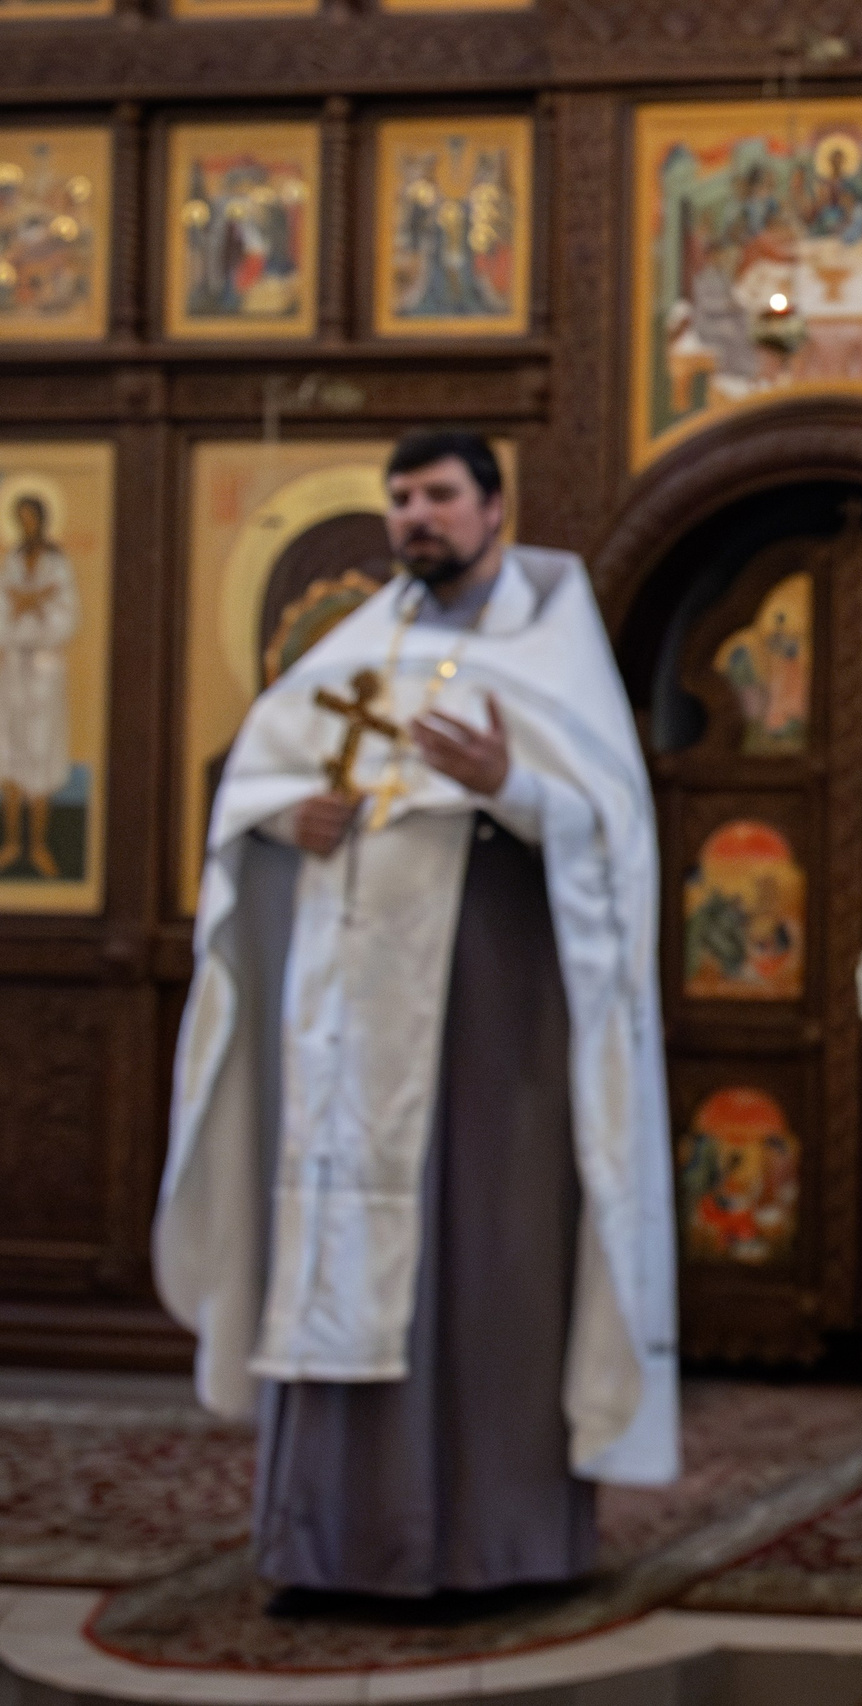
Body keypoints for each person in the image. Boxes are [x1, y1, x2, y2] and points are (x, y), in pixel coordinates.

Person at [159, 429, 680, 1609]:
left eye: (439, 496)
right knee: (329, 1241)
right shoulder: (354, 645)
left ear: (494, 507)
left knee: (484, 1257)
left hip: (495, 1017)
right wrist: (286, 815)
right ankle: (326, 1541)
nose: (415, 519)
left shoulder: (551, 648)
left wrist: (514, 784)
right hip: (344, 1016)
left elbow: (612, 830)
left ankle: (497, 1546)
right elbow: (256, 788)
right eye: (401, 500)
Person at [0, 494, 77, 879]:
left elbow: (69, 615)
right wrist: (24, 604)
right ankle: (12, 842)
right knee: (13, 752)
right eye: (21, 518)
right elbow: (3, 610)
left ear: (43, 520)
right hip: (14, 668)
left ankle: (40, 844)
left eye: (32, 518)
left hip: (45, 670)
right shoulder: (12, 562)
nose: (27, 524)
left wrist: (36, 606)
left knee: (41, 752)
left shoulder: (57, 563)